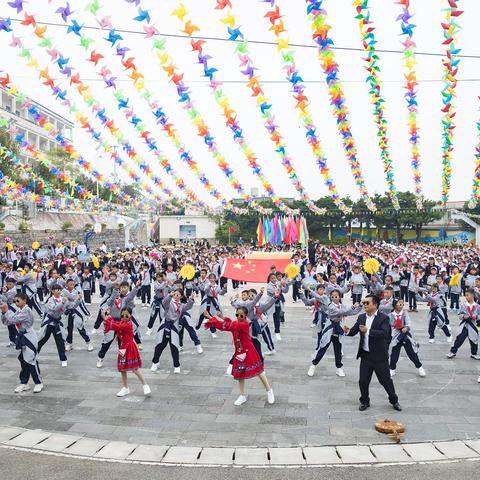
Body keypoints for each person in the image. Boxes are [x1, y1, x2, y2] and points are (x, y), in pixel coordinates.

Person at [203, 307, 275, 406]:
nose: (239, 317)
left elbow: (229, 326)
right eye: (237, 315)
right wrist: (214, 317)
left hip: (249, 351)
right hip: (239, 352)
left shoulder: (244, 324)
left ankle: (269, 390)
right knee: (240, 374)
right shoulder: (236, 324)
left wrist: (213, 319)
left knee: (259, 371)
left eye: (241, 315)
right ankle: (242, 396)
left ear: (245, 316)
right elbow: (229, 325)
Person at [344, 294, 401, 412]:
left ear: (375, 305)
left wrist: (368, 330)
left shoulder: (383, 318)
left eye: (367, 303)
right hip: (366, 355)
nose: (364, 305)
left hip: (380, 356)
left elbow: (384, 334)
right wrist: (347, 331)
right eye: (364, 303)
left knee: (385, 381)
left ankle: (394, 400)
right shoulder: (361, 318)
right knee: (363, 381)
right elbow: (354, 331)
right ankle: (365, 401)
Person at [1, 292, 43, 393]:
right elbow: (7, 322)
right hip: (21, 336)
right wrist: (3, 312)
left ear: (24, 300)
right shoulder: (19, 310)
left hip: (29, 336)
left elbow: (13, 319)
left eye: (18, 301)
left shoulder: (27, 310)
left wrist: (6, 310)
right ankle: (24, 383)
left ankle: (38, 382)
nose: (16, 303)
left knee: (31, 359)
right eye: (15, 301)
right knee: (22, 360)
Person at [103, 307, 151, 397]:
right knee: (122, 369)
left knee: (135, 369)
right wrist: (109, 316)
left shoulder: (128, 324)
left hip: (129, 348)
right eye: (122, 315)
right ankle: (125, 388)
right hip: (122, 348)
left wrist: (107, 318)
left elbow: (116, 326)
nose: (124, 317)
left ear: (130, 316)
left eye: (126, 315)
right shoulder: (122, 322)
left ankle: (145, 385)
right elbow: (116, 323)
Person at [388, 298, 426, 377]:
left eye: (402, 304)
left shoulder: (405, 314)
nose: (401, 305)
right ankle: (392, 369)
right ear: (395, 305)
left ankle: (419, 367)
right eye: (399, 304)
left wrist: (406, 328)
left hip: (405, 336)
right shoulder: (390, 315)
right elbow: (391, 323)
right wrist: (396, 326)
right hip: (396, 337)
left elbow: (408, 323)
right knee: (394, 353)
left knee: (411, 353)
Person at [446, 288, 480, 360]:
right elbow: (459, 314)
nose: (466, 297)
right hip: (464, 325)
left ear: (472, 295)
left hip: (473, 325)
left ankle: (474, 353)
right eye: (465, 295)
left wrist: (476, 316)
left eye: (467, 295)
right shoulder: (464, 305)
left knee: (474, 339)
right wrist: (464, 316)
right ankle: (453, 352)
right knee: (460, 338)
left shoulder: (477, 306)